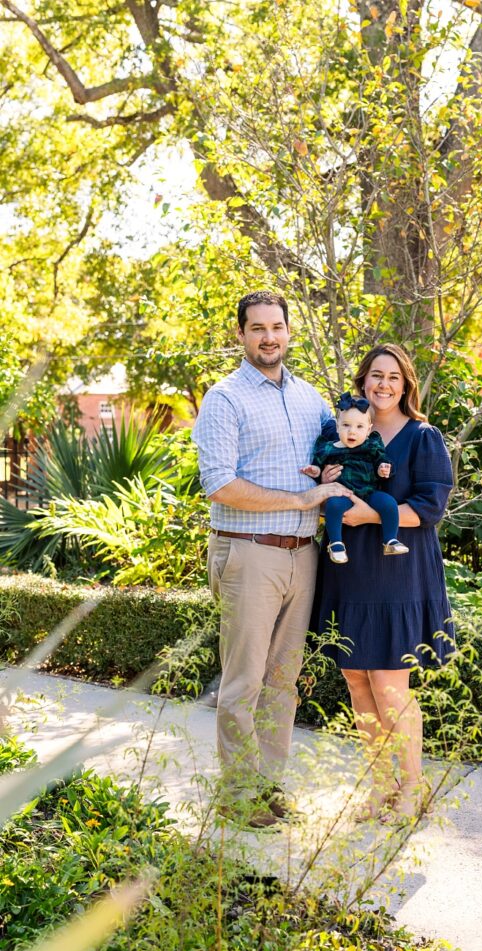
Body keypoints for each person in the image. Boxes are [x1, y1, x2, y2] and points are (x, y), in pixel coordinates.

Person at [193, 291, 349, 829]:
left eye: (276, 327)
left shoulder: (311, 400)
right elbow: (218, 484)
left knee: (284, 681)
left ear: (289, 332)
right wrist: (300, 500)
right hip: (249, 552)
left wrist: (335, 480)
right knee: (244, 683)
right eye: (256, 328)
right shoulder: (225, 398)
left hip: (303, 556)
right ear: (240, 335)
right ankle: (239, 797)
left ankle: (270, 789)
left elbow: (336, 458)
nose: (268, 337)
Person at [313, 343, 455, 821]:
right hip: (349, 572)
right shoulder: (342, 433)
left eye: (393, 377)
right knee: (357, 681)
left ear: (406, 384)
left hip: (398, 574)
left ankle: (414, 789)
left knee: (391, 687)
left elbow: (432, 506)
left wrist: (369, 514)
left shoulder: (422, 437)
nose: (384, 384)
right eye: (376, 375)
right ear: (363, 381)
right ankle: (381, 786)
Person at [300, 392, 409, 564]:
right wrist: (315, 471)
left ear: (368, 429)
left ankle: (390, 540)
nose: (352, 432)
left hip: (369, 492)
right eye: (346, 425)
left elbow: (382, 461)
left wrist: (383, 469)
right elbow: (318, 464)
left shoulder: (371, 445)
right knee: (334, 506)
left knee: (388, 503)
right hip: (343, 493)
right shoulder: (329, 448)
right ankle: (335, 543)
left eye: (359, 427)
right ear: (337, 427)